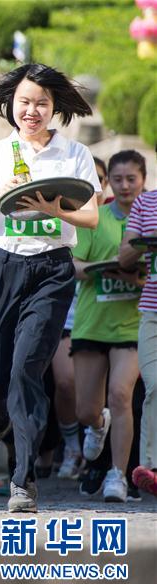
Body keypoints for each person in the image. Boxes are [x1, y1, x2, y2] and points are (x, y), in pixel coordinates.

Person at [0, 63, 101, 513]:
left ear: (55, 107)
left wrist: (54, 206)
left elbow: (91, 216)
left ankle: (23, 480)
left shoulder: (73, 155)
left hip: (52, 270)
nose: (32, 110)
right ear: (11, 105)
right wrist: (0, 193)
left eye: (41, 103)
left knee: (25, 374)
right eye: (24, 102)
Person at [72, 150, 146, 503]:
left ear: (143, 180)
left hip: (132, 325)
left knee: (121, 394)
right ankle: (98, 425)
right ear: (108, 182)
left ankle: (118, 475)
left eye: (132, 178)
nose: (125, 185)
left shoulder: (151, 219)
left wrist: (138, 280)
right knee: (86, 409)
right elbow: (74, 264)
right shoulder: (95, 216)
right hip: (91, 321)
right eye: (118, 179)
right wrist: (105, 268)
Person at [119, 176, 157, 498]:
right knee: (154, 384)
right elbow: (124, 256)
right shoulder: (145, 203)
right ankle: (151, 467)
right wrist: (146, 241)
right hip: (152, 311)